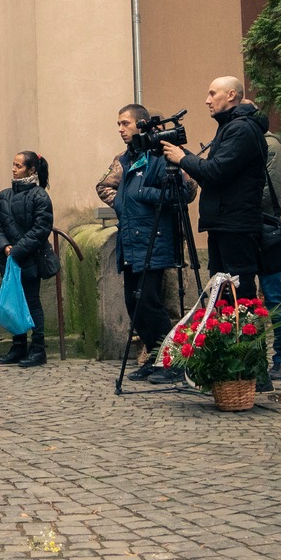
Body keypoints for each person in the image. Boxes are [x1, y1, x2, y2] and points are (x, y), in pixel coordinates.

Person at [111, 107, 195, 382]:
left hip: (152, 241)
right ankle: (155, 356)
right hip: (130, 242)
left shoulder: (158, 157)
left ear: (142, 124)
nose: (121, 128)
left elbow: (181, 194)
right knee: (133, 305)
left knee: (150, 303)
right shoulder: (128, 158)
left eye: (126, 123)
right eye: (119, 124)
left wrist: (141, 192)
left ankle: (172, 361)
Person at [161, 77, 265, 282]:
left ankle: (241, 316)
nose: (207, 101)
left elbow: (216, 171)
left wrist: (183, 159)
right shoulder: (229, 126)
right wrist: (183, 155)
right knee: (221, 289)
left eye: (212, 93)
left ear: (231, 95)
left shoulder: (241, 129)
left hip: (235, 224)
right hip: (223, 222)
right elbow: (214, 175)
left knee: (238, 292)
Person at [0, 150, 58, 368]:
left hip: (30, 258)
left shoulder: (40, 196)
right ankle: (18, 345)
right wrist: (4, 246)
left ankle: (38, 348)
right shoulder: (4, 196)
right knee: (14, 303)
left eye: (18, 166)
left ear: (31, 170)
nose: (13, 169)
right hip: (9, 259)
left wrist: (17, 249)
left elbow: (41, 229)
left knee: (31, 302)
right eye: (13, 164)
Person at [257, 119, 281, 379]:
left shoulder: (271, 146)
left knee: (273, 295)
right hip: (242, 228)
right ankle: (251, 356)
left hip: (265, 229)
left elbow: (267, 194)